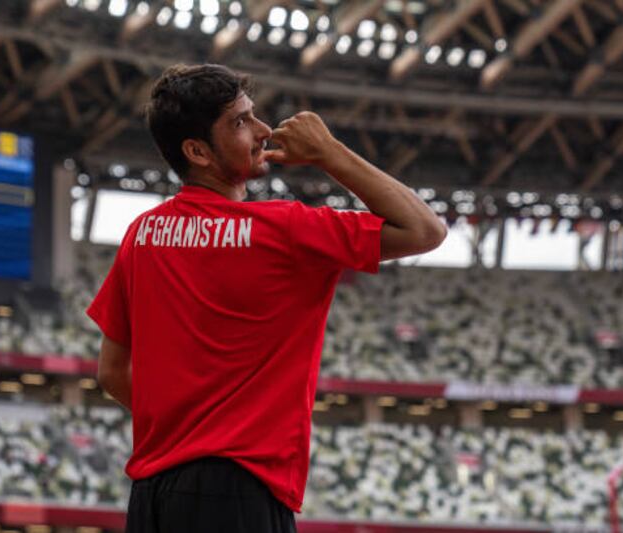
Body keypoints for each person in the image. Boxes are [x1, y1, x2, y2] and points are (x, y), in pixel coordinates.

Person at [87, 63, 446, 532]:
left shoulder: (142, 235)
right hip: (239, 492)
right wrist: (330, 153)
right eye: (240, 122)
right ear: (197, 151)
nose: (262, 131)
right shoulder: (285, 230)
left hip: (152, 497)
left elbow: (111, 373)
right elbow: (426, 229)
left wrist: (189, 430)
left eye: (253, 115)